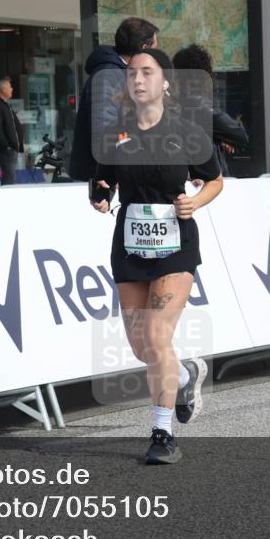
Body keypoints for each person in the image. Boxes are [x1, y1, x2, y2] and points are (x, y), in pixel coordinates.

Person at [90, 49, 223, 465]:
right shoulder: (115, 134)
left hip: (174, 246)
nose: (138, 79)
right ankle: (186, 374)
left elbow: (216, 181)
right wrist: (99, 195)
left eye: (147, 72)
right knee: (139, 345)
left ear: (165, 82)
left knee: (156, 337)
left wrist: (195, 201)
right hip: (130, 245)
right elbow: (103, 180)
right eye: (132, 73)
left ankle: (163, 433)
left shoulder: (186, 132)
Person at [70, 17, 159, 182]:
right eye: (155, 50)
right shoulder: (110, 76)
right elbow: (104, 130)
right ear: (144, 48)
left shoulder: (121, 74)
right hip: (101, 180)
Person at [172, 44, 248, 176]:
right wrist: (225, 136)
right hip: (209, 180)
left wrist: (221, 136)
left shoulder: (174, 103)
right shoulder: (200, 105)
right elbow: (241, 135)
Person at [0, 76, 24, 185]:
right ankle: (7, 199)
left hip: (11, 148)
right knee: (9, 178)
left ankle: (8, 197)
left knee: (10, 177)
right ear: (3, 89)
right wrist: (6, 146)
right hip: (6, 149)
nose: (12, 89)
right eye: (10, 86)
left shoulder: (5, 105)